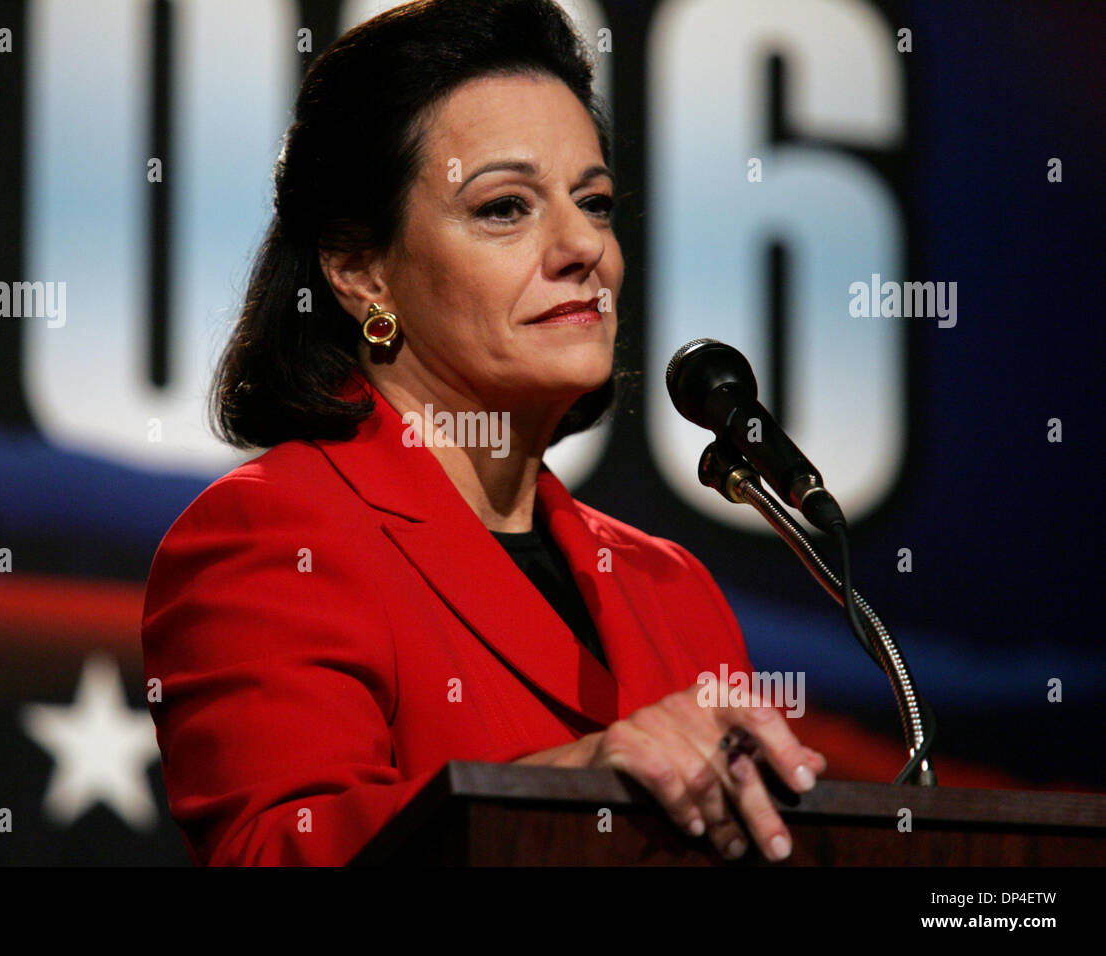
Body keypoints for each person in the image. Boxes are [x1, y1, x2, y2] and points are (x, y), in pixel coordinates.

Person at [141, 0, 826, 867]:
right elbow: (280, 853)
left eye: (596, 200)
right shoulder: (272, 538)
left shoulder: (673, 593)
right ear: (360, 270)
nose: (584, 245)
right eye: (506, 207)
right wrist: (575, 788)